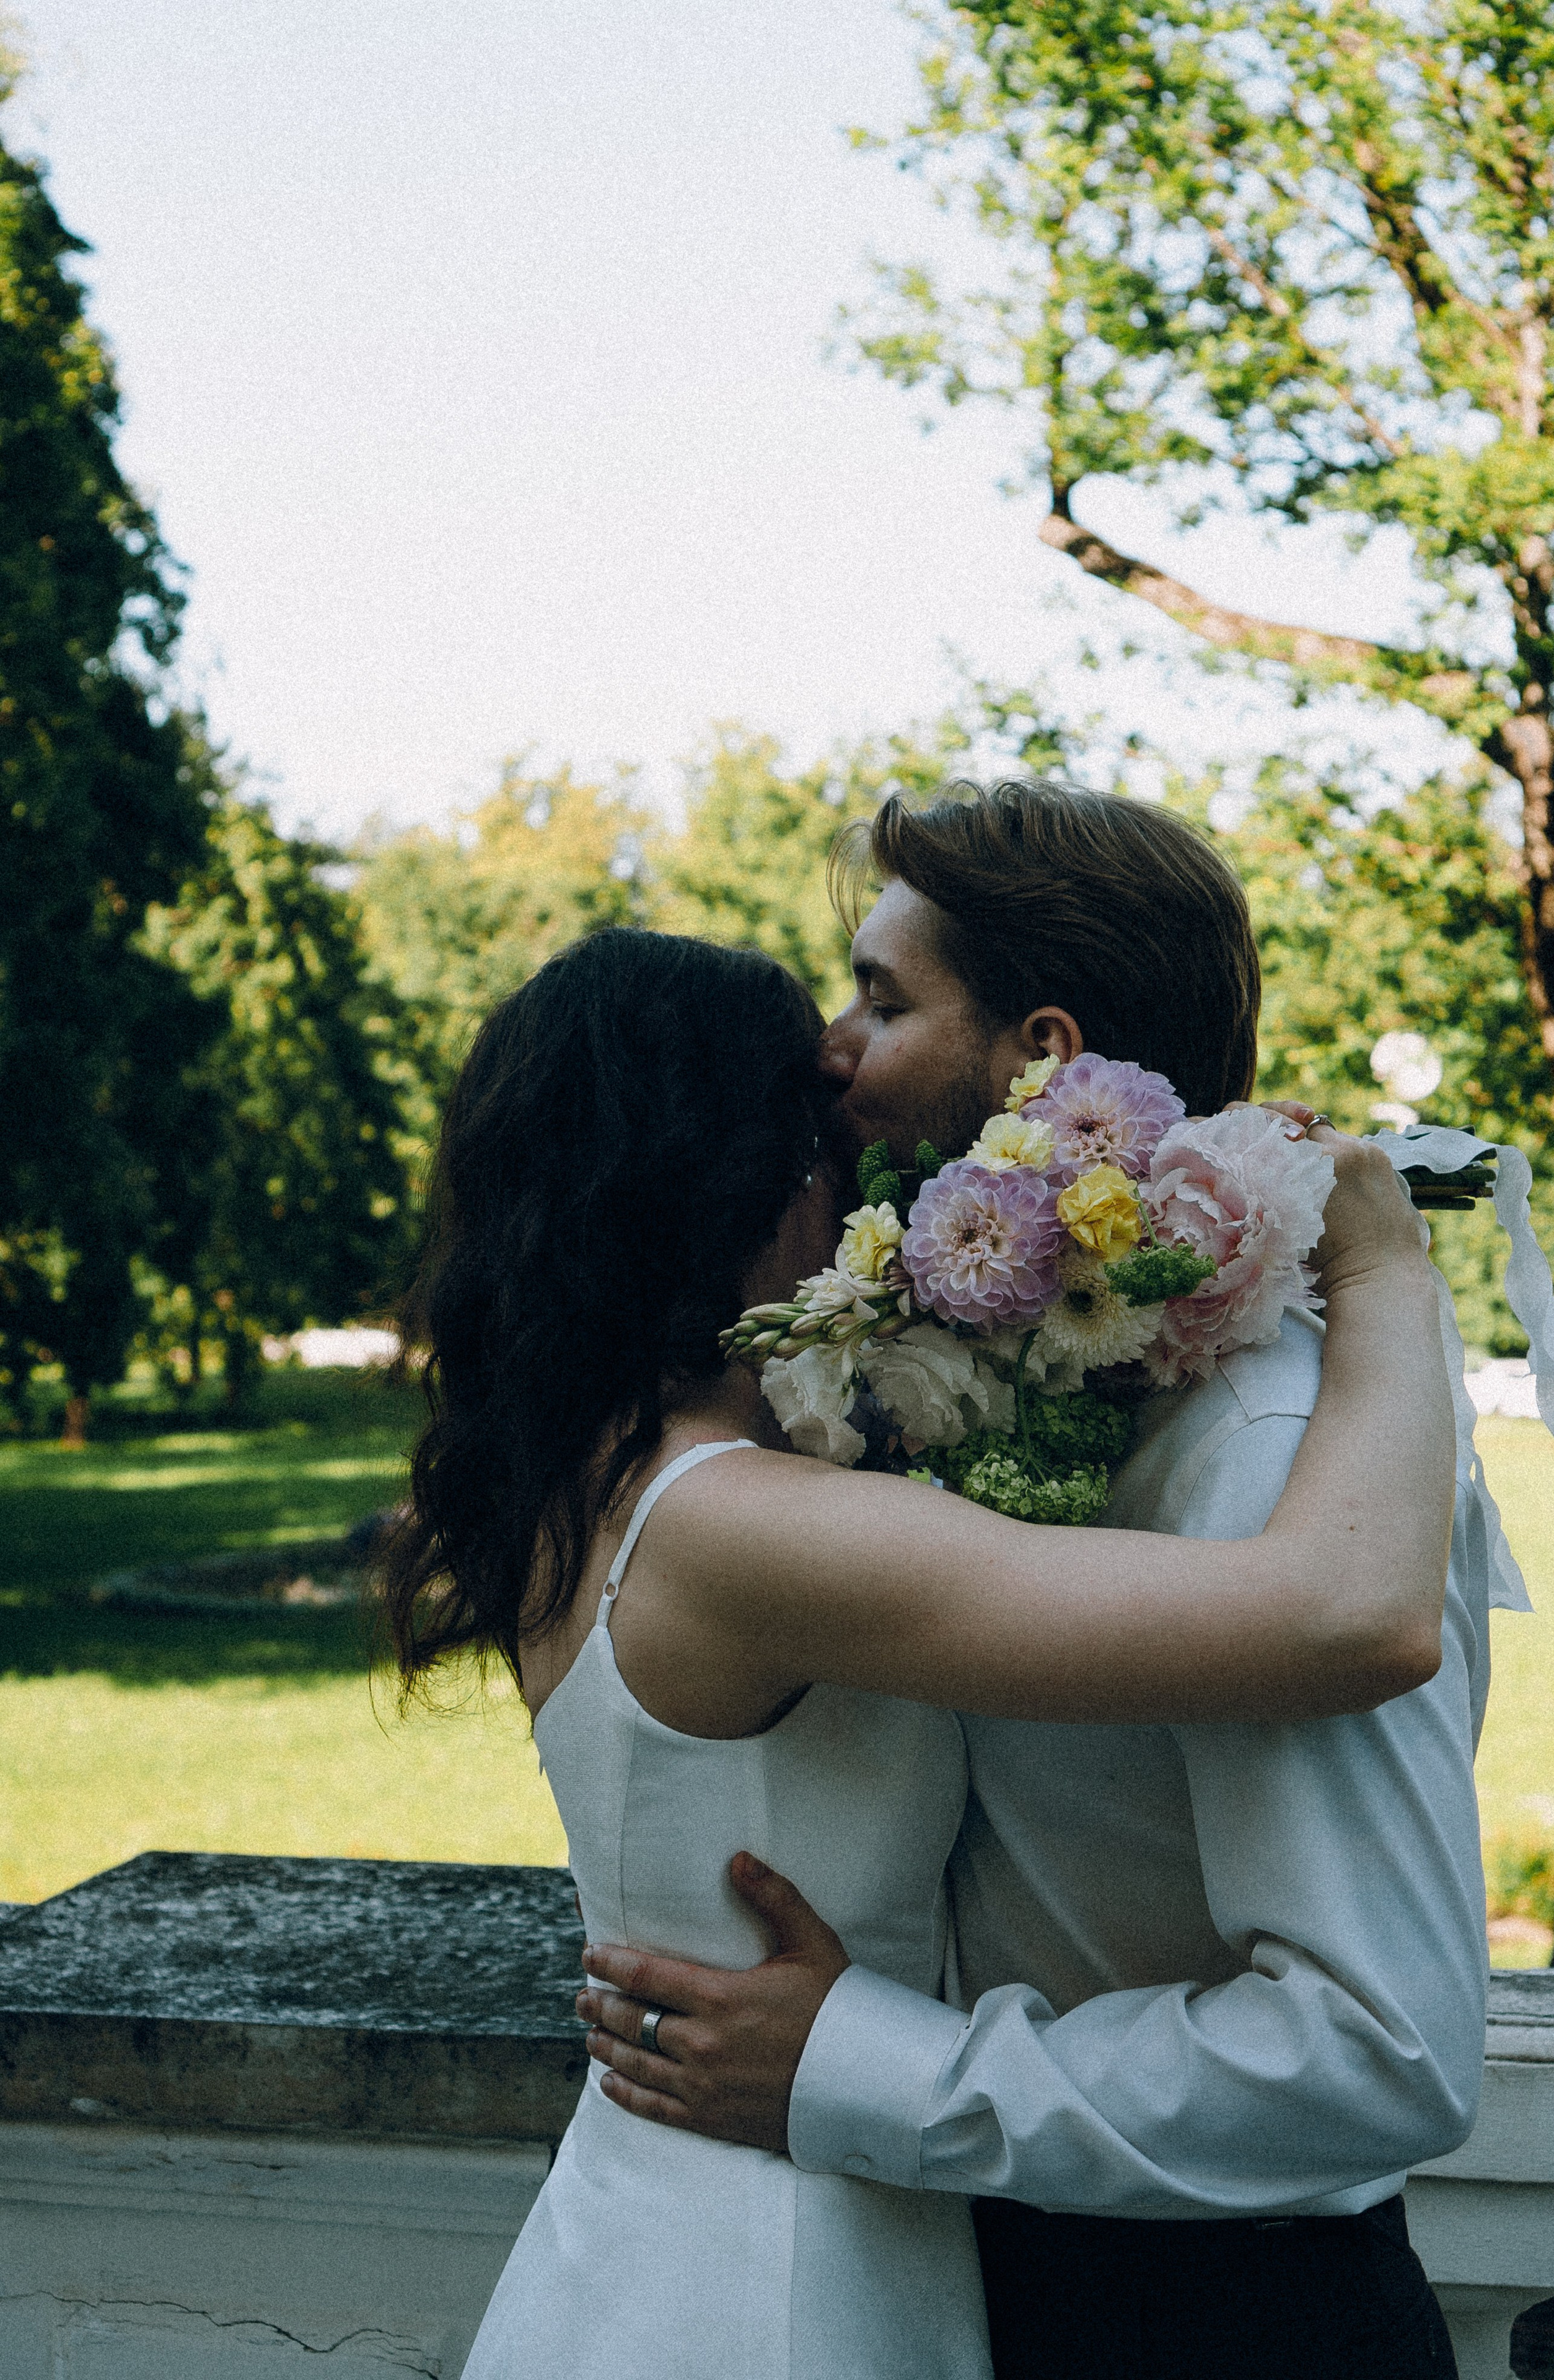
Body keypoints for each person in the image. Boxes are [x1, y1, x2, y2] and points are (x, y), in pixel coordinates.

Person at [380, 920, 1454, 2380]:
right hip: (781, 2254)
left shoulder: (605, 1472)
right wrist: (1383, 1269)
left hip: (677, 2204)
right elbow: (1349, 1615)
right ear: (758, 1175)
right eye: (822, 1141)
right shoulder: (739, 1527)